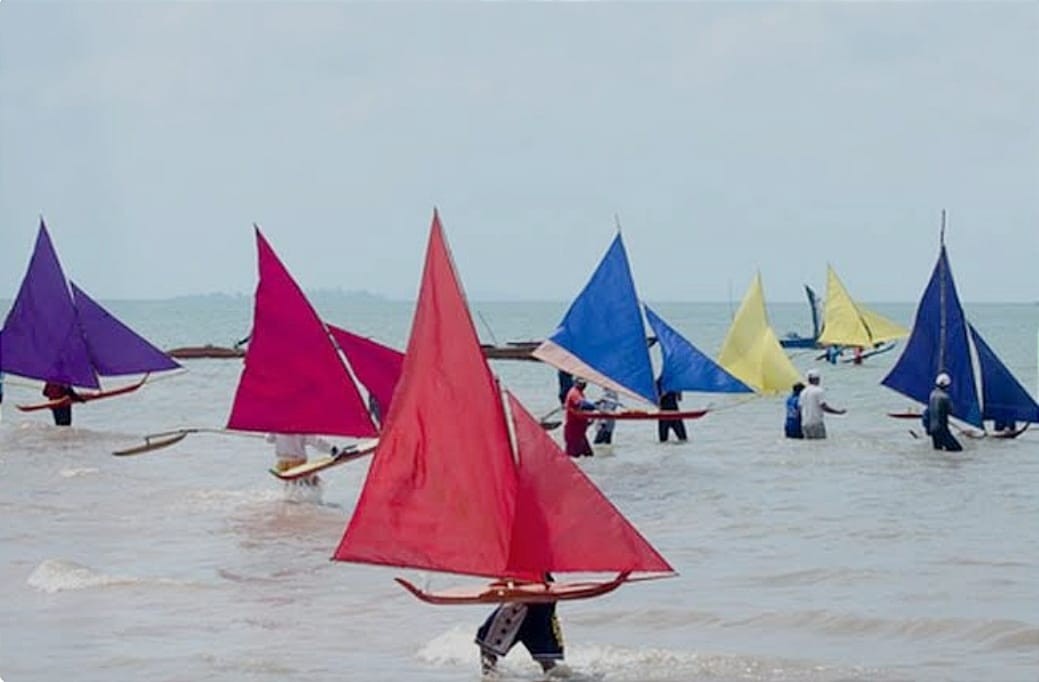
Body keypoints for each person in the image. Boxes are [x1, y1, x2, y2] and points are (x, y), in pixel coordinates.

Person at [475, 575, 565, 677]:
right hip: (544, 590)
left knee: (487, 647)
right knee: (546, 660)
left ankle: (490, 676)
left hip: (523, 596)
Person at [267, 433, 340, 485]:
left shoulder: (279, 426)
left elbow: (269, 439)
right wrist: (332, 449)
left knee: (291, 485)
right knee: (314, 483)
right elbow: (316, 441)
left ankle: (290, 502)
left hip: (282, 463)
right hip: (297, 463)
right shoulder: (300, 428)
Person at [798, 369, 845, 439]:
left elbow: (800, 408)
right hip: (816, 422)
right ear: (816, 379)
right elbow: (824, 407)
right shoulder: (818, 391)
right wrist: (838, 412)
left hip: (805, 423)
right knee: (820, 444)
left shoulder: (803, 392)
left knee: (809, 446)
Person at [927, 373, 962, 452]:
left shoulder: (932, 395)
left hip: (932, 429)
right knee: (957, 449)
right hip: (942, 430)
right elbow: (951, 411)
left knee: (938, 451)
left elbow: (928, 412)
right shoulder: (945, 397)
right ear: (947, 386)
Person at [563, 377, 596, 457]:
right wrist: (595, 406)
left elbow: (579, 409)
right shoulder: (574, 393)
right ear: (575, 383)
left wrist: (587, 420)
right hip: (574, 432)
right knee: (572, 457)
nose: (583, 385)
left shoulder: (580, 393)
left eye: (584, 383)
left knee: (588, 455)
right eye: (580, 383)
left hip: (580, 431)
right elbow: (582, 404)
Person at [657, 378, 687, 442]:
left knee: (683, 439)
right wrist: (662, 393)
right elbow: (655, 399)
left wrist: (678, 389)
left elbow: (679, 399)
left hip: (675, 414)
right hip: (664, 414)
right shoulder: (659, 382)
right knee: (663, 441)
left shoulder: (675, 382)